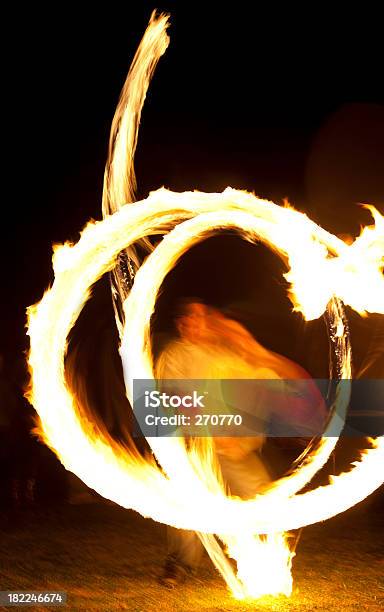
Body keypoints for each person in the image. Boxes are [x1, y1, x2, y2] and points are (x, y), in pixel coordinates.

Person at [155, 301, 327, 587]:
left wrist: (303, 409)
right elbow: (173, 397)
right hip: (196, 450)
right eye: (185, 317)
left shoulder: (229, 354)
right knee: (189, 508)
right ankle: (179, 565)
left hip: (237, 451)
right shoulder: (176, 354)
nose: (192, 323)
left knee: (263, 499)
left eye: (198, 317)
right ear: (179, 323)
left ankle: (266, 562)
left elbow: (268, 380)